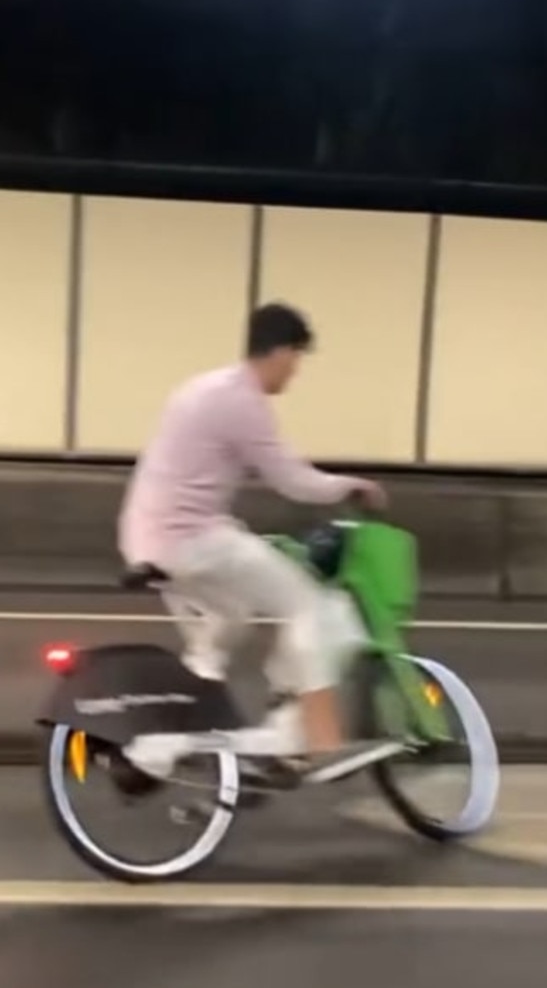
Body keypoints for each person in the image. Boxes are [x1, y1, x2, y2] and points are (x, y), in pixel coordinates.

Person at [117, 301, 387, 787]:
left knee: (232, 616)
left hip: (148, 536)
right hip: (190, 537)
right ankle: (319, 740)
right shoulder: (242, 401)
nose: (295, 372)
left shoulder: (202, 387)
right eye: (297, 359)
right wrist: (350, 486)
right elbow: (291, 480)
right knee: (307, 602)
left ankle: (169, 738)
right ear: (280, 351)